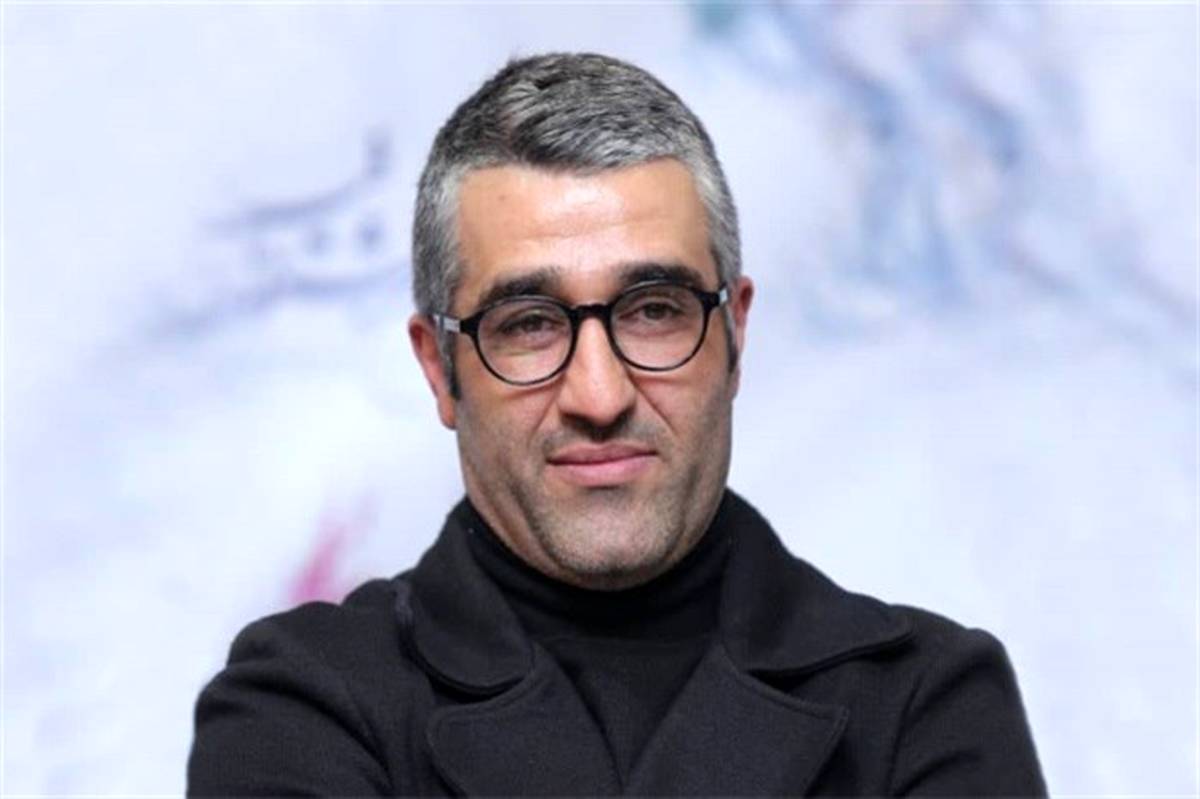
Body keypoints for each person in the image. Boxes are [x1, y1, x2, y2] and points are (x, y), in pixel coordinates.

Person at [188, 52, 1047, 796]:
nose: (599, 396)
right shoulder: (298, 706)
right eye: (529, 323)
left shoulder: (932, 703)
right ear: (439, 368)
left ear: (734, 335)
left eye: (654, 310)